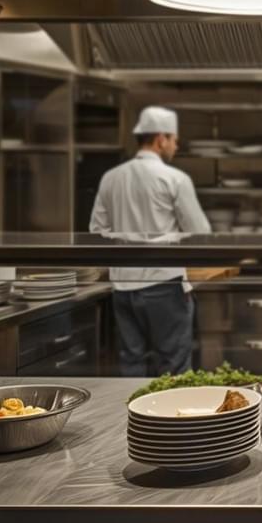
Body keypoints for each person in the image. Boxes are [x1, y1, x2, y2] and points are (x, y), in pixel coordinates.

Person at [89, 106, 210, 377]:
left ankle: (135, 419)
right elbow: (200, 233)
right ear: (161, 139)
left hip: (123, 287)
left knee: (132, 365)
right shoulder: (174, 179)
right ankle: (176, 420)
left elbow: (97, 231)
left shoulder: (111, 177)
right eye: (174, 140)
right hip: (164, 284)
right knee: (174, 367)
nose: (176, 146)